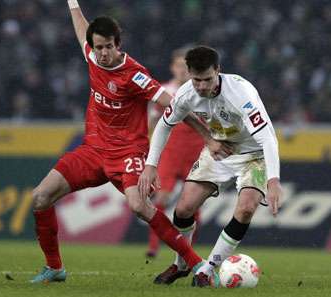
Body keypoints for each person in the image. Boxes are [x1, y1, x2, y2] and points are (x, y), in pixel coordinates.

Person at [30, 0, 225, 284]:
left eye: (109, 46)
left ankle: (197, 265)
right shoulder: (93, 57)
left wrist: (207, 136)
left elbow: (174, 106)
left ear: (117, 44)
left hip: (127, 153)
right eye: (99, 47)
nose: (104, 53)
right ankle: (55, 267)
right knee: (40, 197)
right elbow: (81, 29)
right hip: (93, 151)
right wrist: (72, 3)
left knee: (139, 206)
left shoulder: (134, 75)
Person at [138, 46, 283, 287]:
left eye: (207, 79)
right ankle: (181, 264)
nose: (202, 86)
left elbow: (267, 138)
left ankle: (208, 269)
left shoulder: (241, 93)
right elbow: (164, 125)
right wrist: (151, 165)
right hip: (220, 150)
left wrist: (273, 180)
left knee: (246, 208)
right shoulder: (186, 94)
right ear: (189, 74)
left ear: (218, 71)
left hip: (254, 154)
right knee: (184, 209)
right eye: (197, 80)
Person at [145, 48, 204, 261]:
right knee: (161, 196)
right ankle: (153, 247)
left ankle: (189, 250)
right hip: (170, 151)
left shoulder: (201, 91)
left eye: (186, 67)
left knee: (193, 203)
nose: (182, 71)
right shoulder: (164, 90)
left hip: (195, 152)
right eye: (178, 66)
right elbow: (152, 121)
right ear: (172, 68)